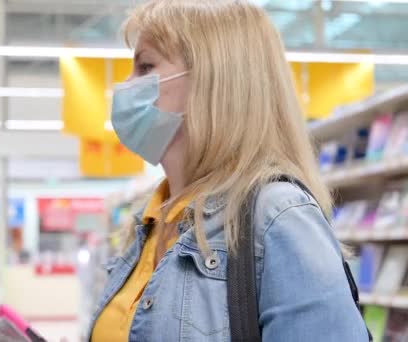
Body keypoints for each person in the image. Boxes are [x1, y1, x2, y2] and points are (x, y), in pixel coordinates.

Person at [88, 0, 370, 341]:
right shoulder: (151, 221)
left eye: (146, 67)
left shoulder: (278, 218)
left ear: (214, 81)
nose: (126, 85)